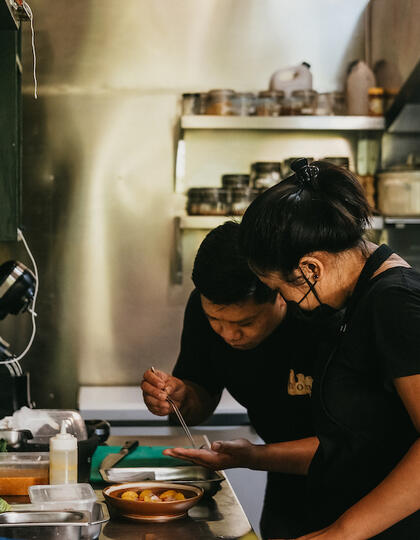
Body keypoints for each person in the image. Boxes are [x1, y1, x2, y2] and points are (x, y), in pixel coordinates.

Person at [164, 159, 420, 539]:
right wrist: (250, 456)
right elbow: (359, 443)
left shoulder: (394, 302)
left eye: (284, 292)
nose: (291, 305)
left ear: (310, 269)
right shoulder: (365, 297)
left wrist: (342, 532)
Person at [141, 221, 320, 539]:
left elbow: (353, 446)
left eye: (246, 322)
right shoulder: (202, 307)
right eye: (215, 320)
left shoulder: (317, 320)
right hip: (283, 482)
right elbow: (201, 395)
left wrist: (252, 456)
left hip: (353, 484)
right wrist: (181, 398)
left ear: (280, 294)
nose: (229, 334)